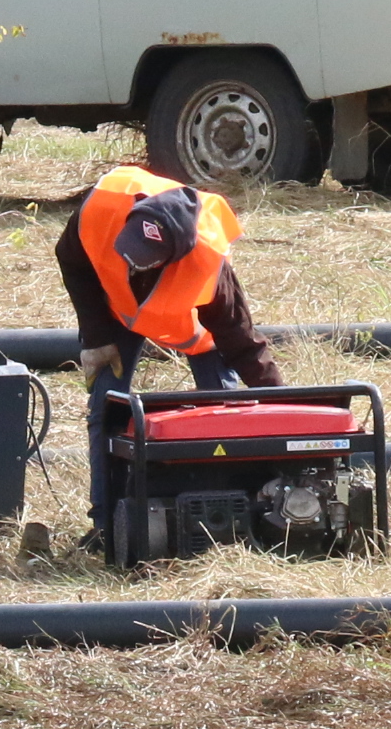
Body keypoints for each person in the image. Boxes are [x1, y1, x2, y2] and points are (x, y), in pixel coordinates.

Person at [54, 163, 285, 541]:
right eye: (130, 252)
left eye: (144, 260)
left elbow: (242, 341)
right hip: (117, 315)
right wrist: (96, 337)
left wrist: (283, 406)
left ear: (176, 254)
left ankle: (228, 514)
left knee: (225, 410)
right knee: (105, 411)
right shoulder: (101, 209)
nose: (130, 263)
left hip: (193, 332)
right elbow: (72, 259)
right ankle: (107, 523)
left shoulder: (208, 267)